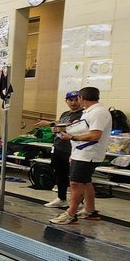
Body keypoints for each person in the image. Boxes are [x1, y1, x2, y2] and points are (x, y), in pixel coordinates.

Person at [51, 86, 113, 225]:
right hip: (80, 152)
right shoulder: (88, 112)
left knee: (75, 183)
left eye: (77, 99)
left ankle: (70, 214)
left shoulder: (98, 113)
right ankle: (90, 210)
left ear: (81, 98)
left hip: (88, 154)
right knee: (85, 182)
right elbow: (82, 129)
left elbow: (95, 135)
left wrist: (71, 137)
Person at [35, 91, 84, 209]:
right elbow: (60, 126)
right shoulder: (65, 114)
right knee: (60, 174)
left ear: (81, 100)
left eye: (76, 100)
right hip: (59, 148)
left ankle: (78, 202)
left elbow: (73, 126)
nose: (73, 103)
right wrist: (54, 128)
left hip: (73, 150)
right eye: (70, 100)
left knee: (75, 178)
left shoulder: (84, 114)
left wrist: (51, 124)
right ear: (66, 101)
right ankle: (61, 198)